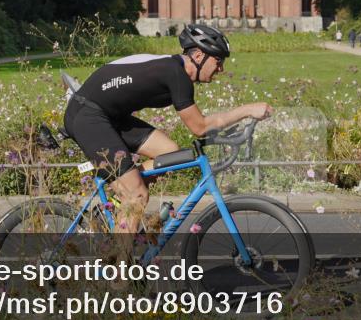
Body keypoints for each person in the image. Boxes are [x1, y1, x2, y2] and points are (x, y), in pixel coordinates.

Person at [63, 24, 273, 251]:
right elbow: (199, 127)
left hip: (110, 116)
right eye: (218, 61)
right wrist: (248, 109)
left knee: (173, 155)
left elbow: (203, 126)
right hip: (87, 115)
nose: (220, 69)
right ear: (199, 55)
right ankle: (119, 279)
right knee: (137, 195)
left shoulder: (174, 69)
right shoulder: (175, 73)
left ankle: (121, 194)